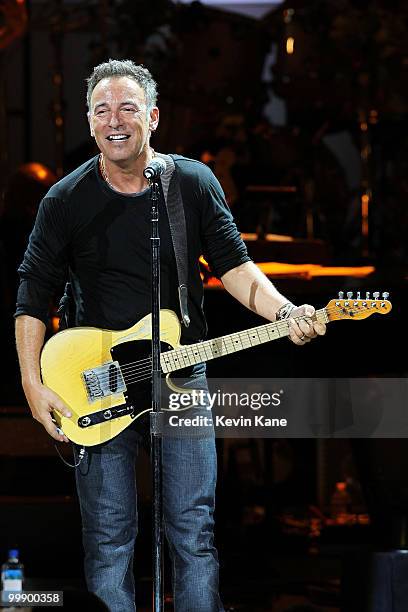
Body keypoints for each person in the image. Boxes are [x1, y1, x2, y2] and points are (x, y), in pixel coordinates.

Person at [14, 59, 326, 612]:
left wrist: (283, 312)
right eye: (102, 110)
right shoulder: (65, 200)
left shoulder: (190, 183)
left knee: (194, 534)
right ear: (89, 123)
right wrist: (34, 387)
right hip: (98, 383)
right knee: (110, 541)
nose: (115, 120)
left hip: (181, 376)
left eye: (128, 108)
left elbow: (234, 264)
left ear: (152, 117)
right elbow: (31, 298)